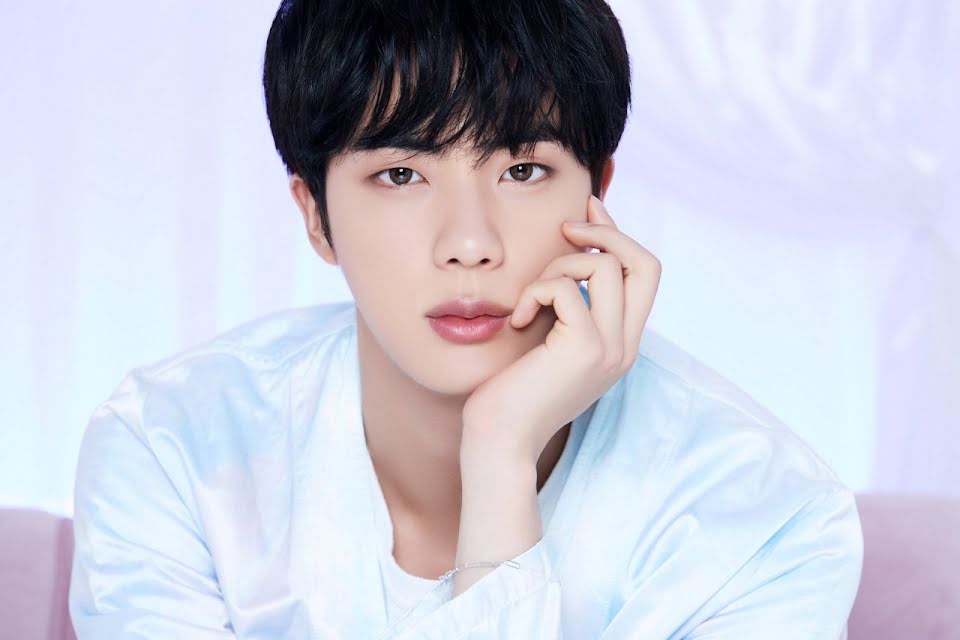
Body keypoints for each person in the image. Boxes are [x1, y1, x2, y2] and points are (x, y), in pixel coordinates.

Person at [68, 0, 864, 638]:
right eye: (401, 174)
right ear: (314, 214)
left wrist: (499, 454)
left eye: (523, 169)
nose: (471, 243)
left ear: (598, 195)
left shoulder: (763, 519)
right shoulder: (174, 449)